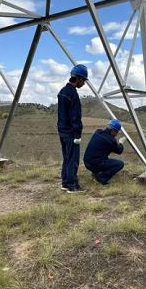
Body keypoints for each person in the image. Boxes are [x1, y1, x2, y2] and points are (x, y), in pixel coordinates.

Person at [58, 64, 88, 193]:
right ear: (79, 79)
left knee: (66, 158)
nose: (84, 84)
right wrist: (77, 134)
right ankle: (72, 186)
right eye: (84, 81)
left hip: (62, 131)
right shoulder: (73, 94)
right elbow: (75, 117)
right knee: (73, 159)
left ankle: (65, 183)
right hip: (71, 133)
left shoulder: (62, 92)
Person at [84, 119, 126, 186]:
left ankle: (95, 173)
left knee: (100, 156)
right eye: (117, 132)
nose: (117, 134)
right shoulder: (111, 140)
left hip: (86, 162)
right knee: (119, 164)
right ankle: (101, 178)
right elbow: (119, 151)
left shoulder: (98, 132)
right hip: (94, 164)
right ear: (113, 131)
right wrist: (121, 142)